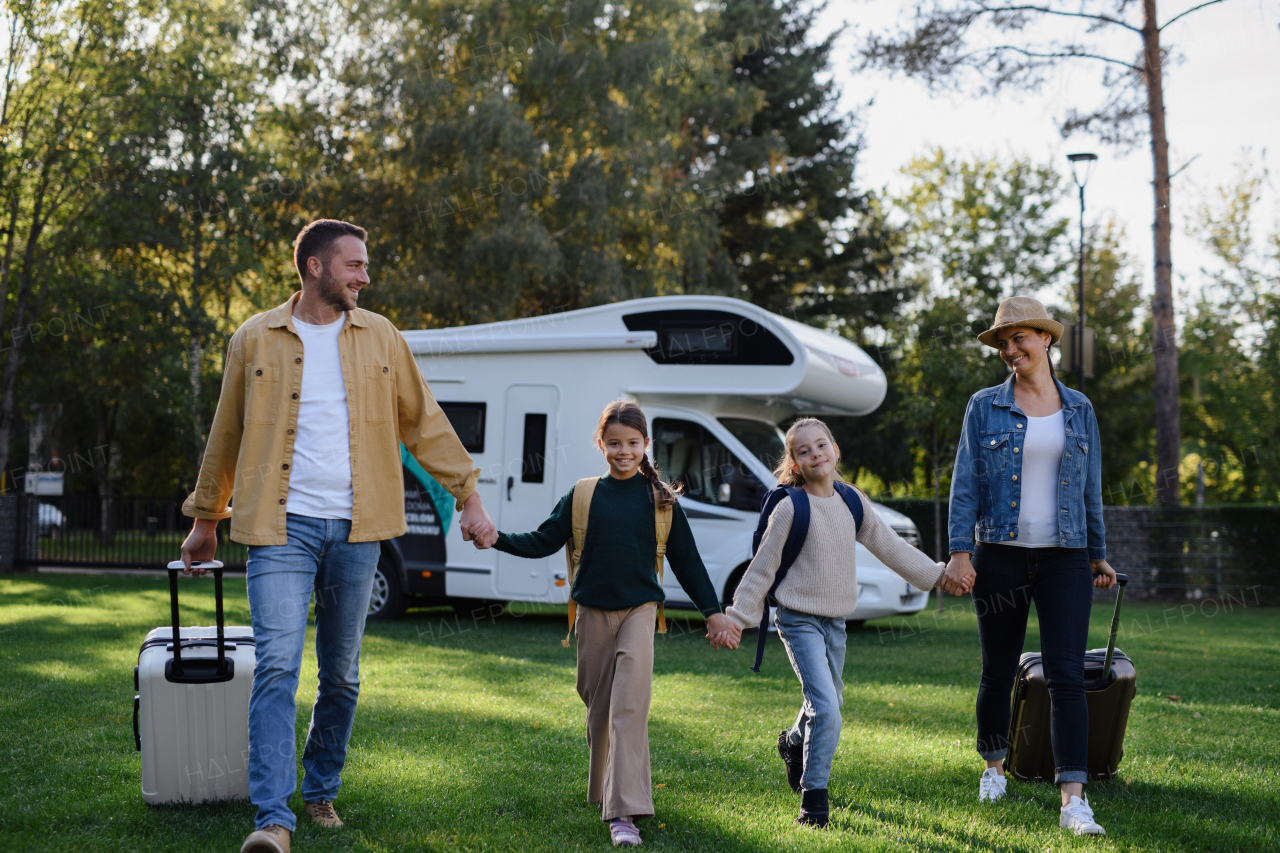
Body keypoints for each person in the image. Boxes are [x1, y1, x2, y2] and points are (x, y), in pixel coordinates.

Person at [179, 219, 498, 853]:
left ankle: (320, 789)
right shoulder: (255, 339)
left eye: (366, 266)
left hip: (359, 529)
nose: (365, 276)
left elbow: (424, 423)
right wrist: (205, 519)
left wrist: (469, 495)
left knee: (342, 675)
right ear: (316, 268)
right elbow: (226, 434)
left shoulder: (381, 337)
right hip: (278, 529)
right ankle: (273, 817)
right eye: (354, 265)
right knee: (275, 666)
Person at [476, 400, 741, 847]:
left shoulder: (661, 502)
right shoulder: (582, 495)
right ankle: (603, 788)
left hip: (640, 612)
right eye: (615, 443)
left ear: (646, 445)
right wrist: (496, 538)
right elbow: (543, 540)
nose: (624, 452)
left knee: (628, 709)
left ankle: (624, 813)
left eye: (633, 444)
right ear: (600, 444)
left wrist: (714, 613)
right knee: (598, 710)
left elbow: (689, 562)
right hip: (592, 614)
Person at [939, 295, 1117, 837]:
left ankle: (1073, 798)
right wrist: (960, 550)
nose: (1009, 349)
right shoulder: (984, 405)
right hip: (1001, 554)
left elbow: (1090, 489)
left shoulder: (1079, 408)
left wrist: (1097, 552)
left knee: (1067, 673)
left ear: (1045, 339)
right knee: (999, 668)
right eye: (1002, 342)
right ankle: (994, 766)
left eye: (1019, 338)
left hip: (1065, 556)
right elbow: (965, 481)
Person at [725, 418, 945, 828]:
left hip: (837, 623)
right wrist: (739, 617)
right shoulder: (791, 507)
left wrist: (936, 575)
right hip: (798, 620)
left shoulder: (852, 502)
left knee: (828, 703)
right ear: (794, 461)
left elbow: (891, 547)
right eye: (804, 451)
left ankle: (793, 742)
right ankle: (814, 803)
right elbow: (762, 568)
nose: (815, 454)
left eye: (821, 445)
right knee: (827, 708)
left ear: (835, 449)